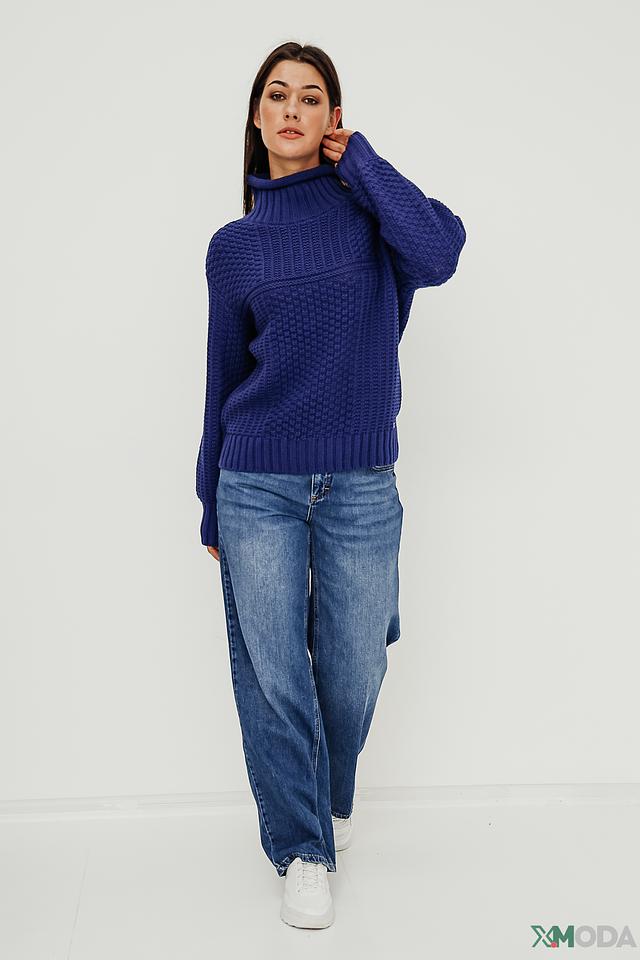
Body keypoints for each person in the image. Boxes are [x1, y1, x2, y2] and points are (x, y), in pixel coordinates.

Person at [195, 41, 466, 929]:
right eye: (277, 95)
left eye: (311, 98)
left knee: (352, 670)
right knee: (275, 676)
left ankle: (322, 795)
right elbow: (222, 374)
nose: (291, 109)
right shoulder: (234, 248)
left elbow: (440, 252)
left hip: (359, 480)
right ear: (256, 116)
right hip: (255, 482)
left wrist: (367, 165)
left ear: (333, 119)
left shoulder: (372, 217)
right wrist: (209, 496)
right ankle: (303, 848)